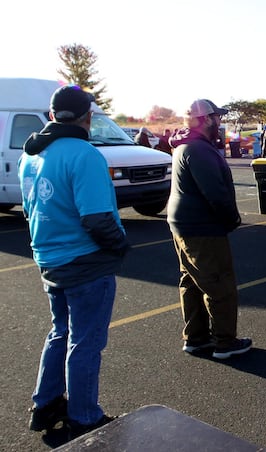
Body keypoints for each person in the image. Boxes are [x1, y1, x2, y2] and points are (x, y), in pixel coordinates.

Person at [20, 85, 129, 439]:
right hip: (84, 261)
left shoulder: (32, 154)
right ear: (88, 117)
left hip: (49, 258)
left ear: (52, 115)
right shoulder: (84, 155)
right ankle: (84, 417)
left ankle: (45, 403)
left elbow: (29, 209)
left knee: (60, 332)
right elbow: (97, 218)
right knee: (85, 342)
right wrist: (119, 247)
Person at [167, 99, 252, 359]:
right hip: (202, 227)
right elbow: (214, 193)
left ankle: (196, 338)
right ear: (206, 119)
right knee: (219, 282)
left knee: (191, 281)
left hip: (183, 224)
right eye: (217, 117)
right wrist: (231, 219)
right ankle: (225, 341)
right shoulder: (199, 150)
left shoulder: (186, 146)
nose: (220, 122)